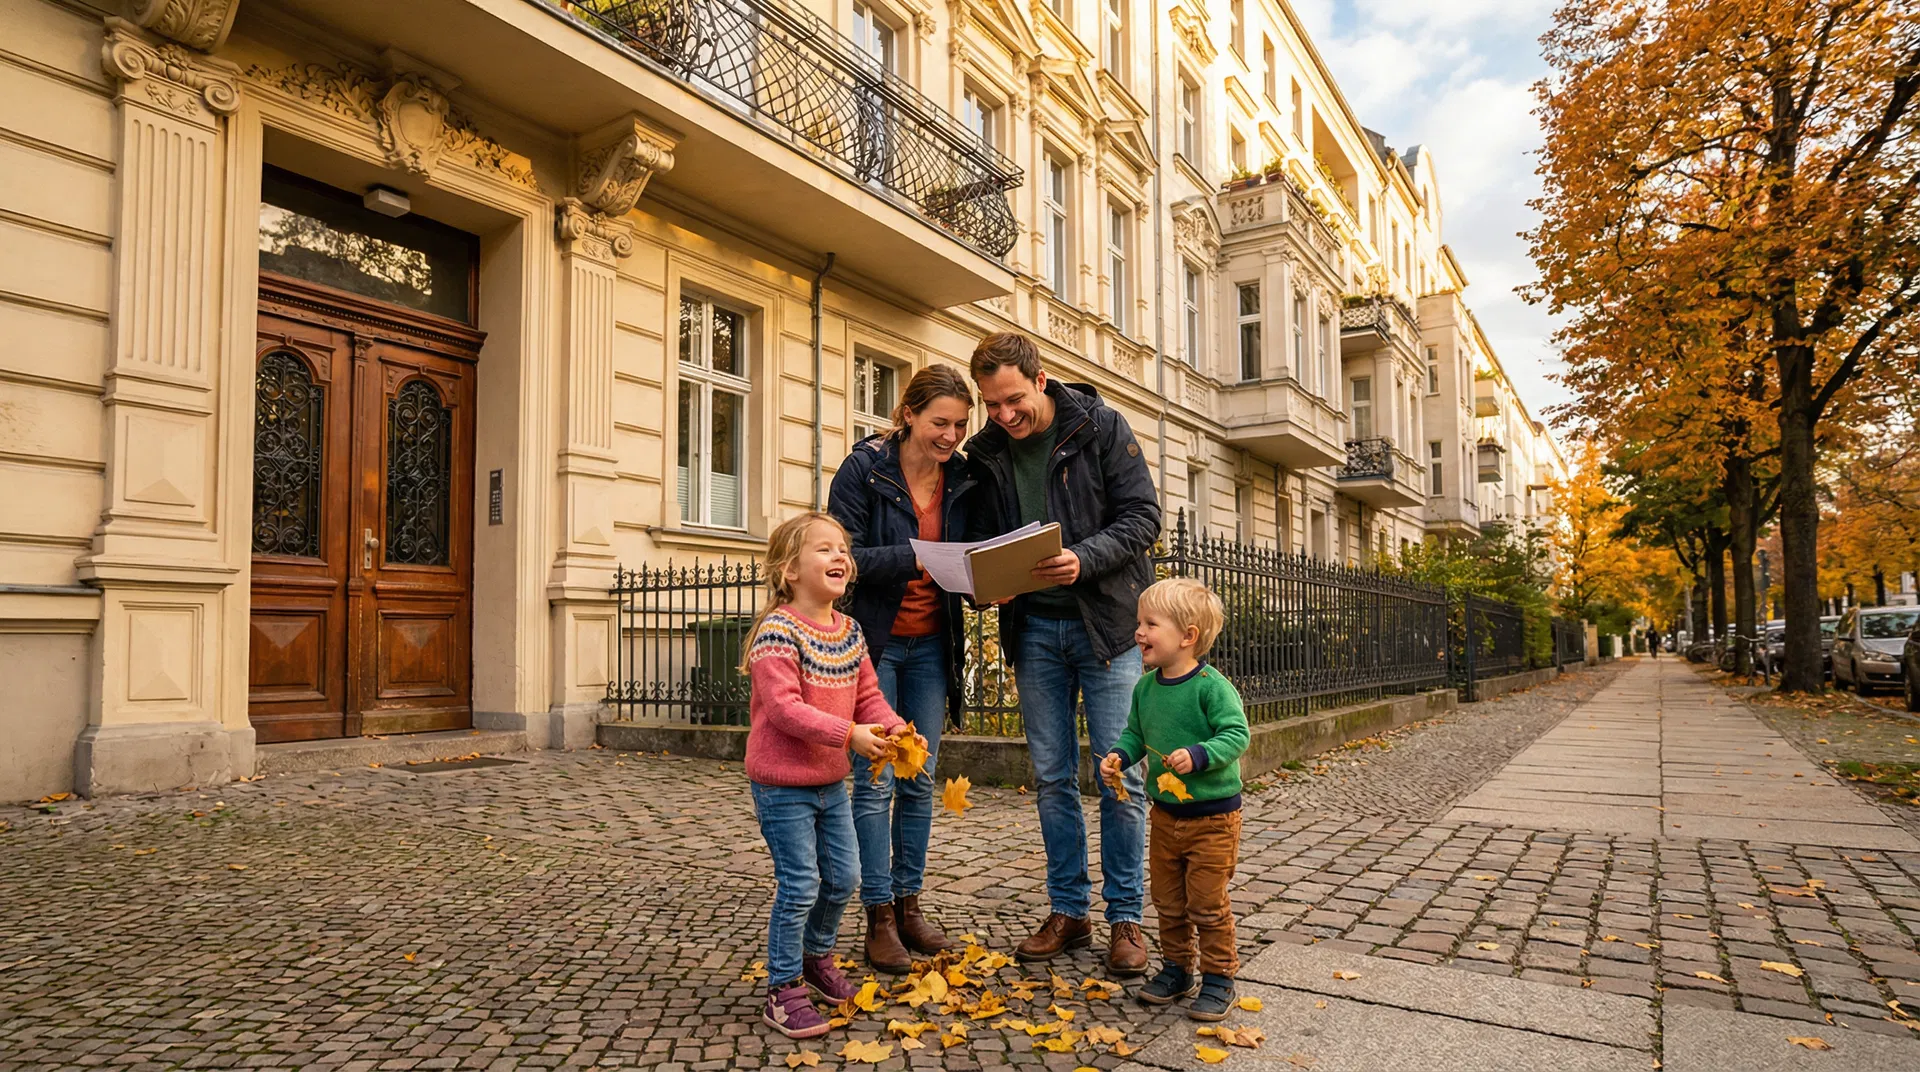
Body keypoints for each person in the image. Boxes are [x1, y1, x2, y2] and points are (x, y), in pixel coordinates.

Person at [964, 331, 1162, 975]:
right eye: (991, 405)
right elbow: (981, 540)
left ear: (1040, 379)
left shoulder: (1100, 426)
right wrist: (982, 584)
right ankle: (1068, 911)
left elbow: (1142, 518)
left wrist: (1083, 559)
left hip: (1105, 628)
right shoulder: (988, 452)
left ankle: (1126, 919)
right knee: (1051, 779)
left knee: (1119, 775)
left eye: (1013, 400)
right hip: (1035, 634)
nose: (1003, 416)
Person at [739, 512, 913, 1039]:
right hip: (781, 784)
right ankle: (783, 987)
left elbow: (868, 696)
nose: (840, 556)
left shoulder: (851, 630)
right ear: (790, 570)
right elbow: (786, 710)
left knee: (845, 880)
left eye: (843, 549)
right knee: (800, 884)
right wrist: (850, 735)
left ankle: (816, 958)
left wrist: (893, 727)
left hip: (829, 782)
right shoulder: (778, 632)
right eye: (824, 549)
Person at [827, 364, 977, 973]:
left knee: (920, 778)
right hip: (877, 649)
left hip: (932, 647)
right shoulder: (864, 468)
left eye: (961, 425)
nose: (951, 436)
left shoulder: (962, 477)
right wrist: (914, 555)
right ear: (908, 414)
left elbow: (975, 551)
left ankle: (911, 904)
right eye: (940, 422)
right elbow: (842, 555)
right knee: (876, 781)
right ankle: (879, 914)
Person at [1101, 578, 1250, 1020]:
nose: (1139, 632)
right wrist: (1118, 756)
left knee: (1206, 902)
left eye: (1151, 624)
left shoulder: (1210, 686)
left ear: (1187, 637)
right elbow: (1135, 734)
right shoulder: (1145, 688)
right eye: (1139, 623)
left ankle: (1220, 976)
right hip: (1165, 816)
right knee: (1167, 899)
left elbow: (1237, 734)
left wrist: (1201, 755)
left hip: (1213, 820)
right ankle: (1177, 968)